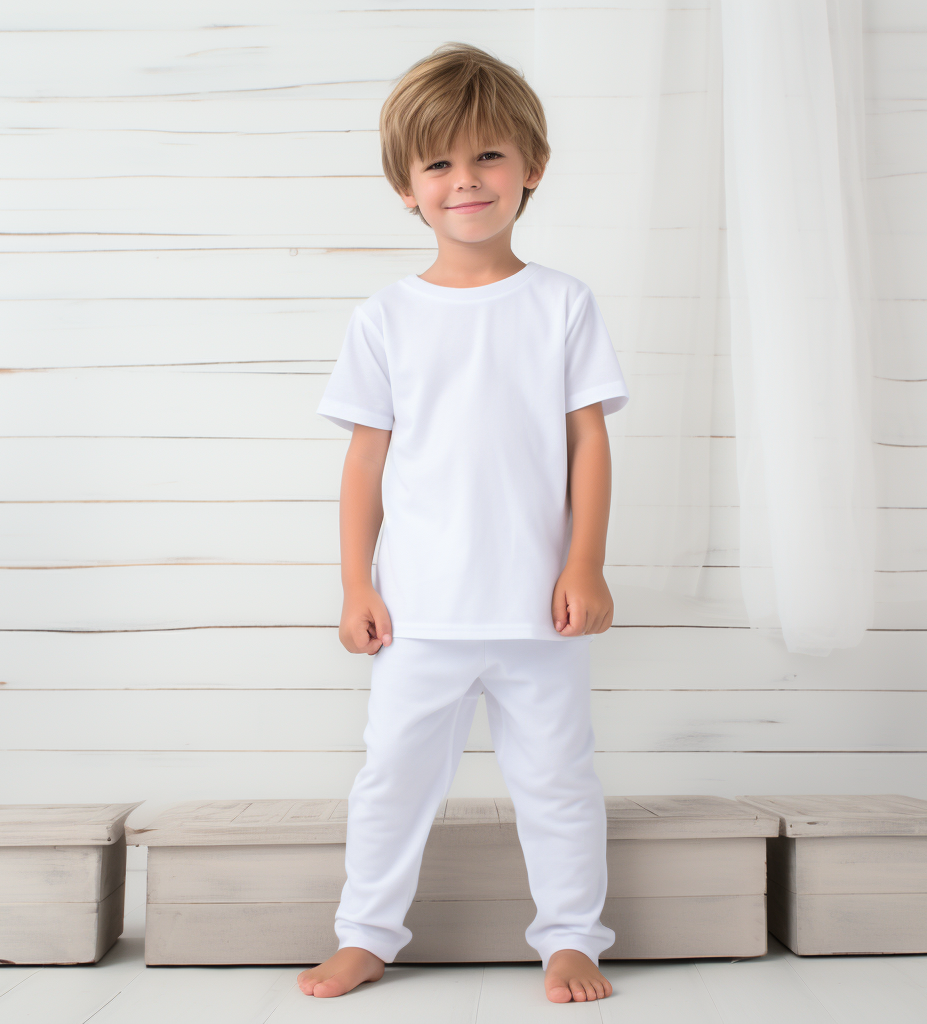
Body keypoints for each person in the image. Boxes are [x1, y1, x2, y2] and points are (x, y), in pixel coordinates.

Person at [298, 41, 629, 1004]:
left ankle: (571, 938)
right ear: (407, 187)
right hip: (420, 611)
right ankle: (367, 933)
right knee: (393, 779)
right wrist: (358, 584)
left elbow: (589, 446)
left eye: (488, 156)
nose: (465, 180)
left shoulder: (563, 305)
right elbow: (366, 462)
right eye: (439, 163)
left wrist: (587, 565)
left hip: (540, 613)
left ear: (532, 167)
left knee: (558, 782)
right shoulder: (385, 319)